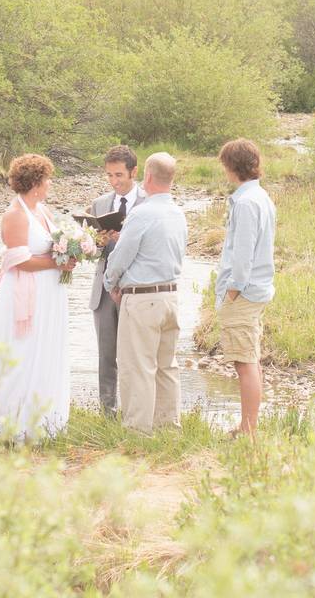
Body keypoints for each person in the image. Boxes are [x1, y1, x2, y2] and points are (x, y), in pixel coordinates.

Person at [0, 154, 76, 440]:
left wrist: (73, 251)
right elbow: (17, 260)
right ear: (35, 182)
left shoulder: (42, 211)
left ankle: (44, 421)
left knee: (46, 350)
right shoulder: (15, 215)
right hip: (24, 294)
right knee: (21, 354)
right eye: (47, 179)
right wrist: (56, 263)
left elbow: (54, 245)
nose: (49, 184)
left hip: (50, 295)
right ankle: (9, 423)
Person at [103, 152, 187, 434]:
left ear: (147, 177)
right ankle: (168, 429)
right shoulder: (178, 213)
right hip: (171, 296)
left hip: (142, 299)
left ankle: (138, 431)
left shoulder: (142, 212)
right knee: (167, 367)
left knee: (137, 367)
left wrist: (110, 283)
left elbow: (121, 257)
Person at [214, 139, 276, 436]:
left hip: (245, 290)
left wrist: (233, 289)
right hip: (256, 288)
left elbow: (243, 253)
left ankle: (248, 429)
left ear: (230, 166)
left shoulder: (247, 202)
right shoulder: (259, 196)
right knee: (248, 358)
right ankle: (247, 424)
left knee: (244, 362)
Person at [89, 145, 146, 416]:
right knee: (105, 355)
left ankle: (135, 411)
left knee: (135, 355)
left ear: (134, 172)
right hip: (102, 290)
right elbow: (92, 250)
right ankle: (106, 412)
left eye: (119, 175)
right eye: (109, 175)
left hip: (136, 289)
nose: (114, 181)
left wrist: (125, 241)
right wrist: (96, 242)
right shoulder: (100, 204)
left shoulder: (148, 203)